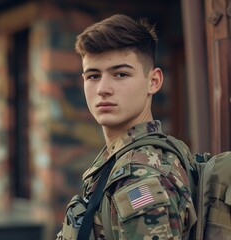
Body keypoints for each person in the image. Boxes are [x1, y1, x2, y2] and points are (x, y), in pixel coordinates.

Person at [57, 14, 196, 240]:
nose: (103, 88)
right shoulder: (126, 159)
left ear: (154, 81)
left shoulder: (140, 178)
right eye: (93, 76)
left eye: (120, 74)